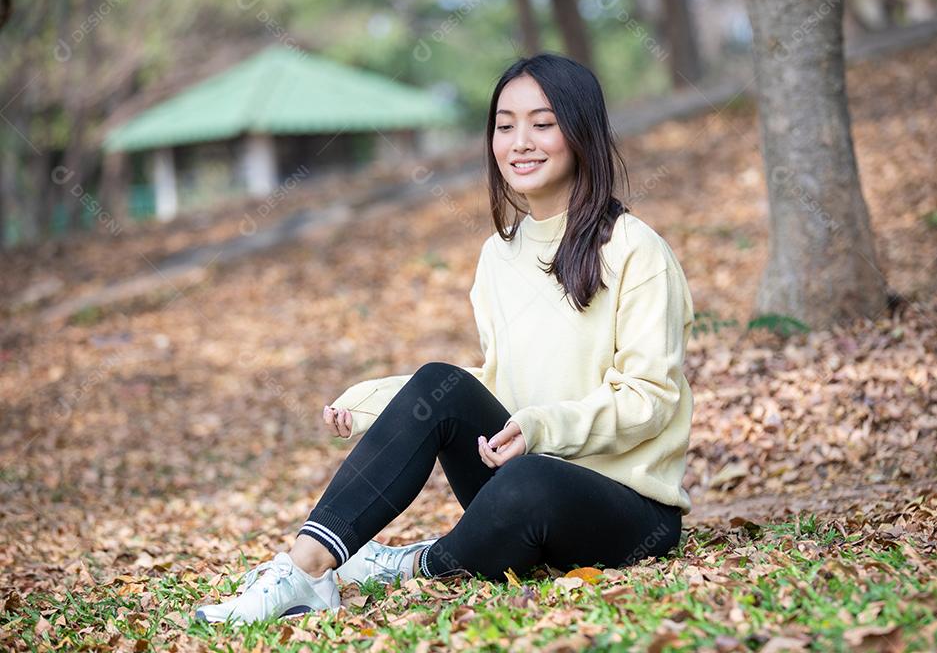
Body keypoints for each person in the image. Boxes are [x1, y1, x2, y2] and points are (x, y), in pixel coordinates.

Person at [195, 53, 695, 624]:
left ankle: (417, 563)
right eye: (505, 126)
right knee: (440, 381)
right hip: (523, 477)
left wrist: (540, 428)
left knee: (529, 480)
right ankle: (306, 570)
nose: (520, 142)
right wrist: (376, 404)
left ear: (581, 131)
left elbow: (651, 398)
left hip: (628, 509)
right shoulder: (498, 255)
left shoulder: (636, 249)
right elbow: (487, 384)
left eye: (543, 122)